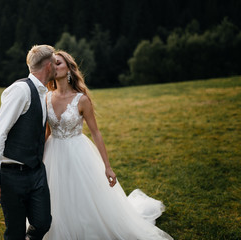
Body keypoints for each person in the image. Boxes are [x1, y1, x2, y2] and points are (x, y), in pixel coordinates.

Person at [42, 50, 173, 240]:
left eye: (59, 63)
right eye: (52, 64)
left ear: (69, 68)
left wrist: (108, 167)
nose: (54, 67)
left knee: (82, 196)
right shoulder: (46, 98)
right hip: (52, 153)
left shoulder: (82, 100)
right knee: (56, 196)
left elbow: (95, 132)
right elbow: (45, 132)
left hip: (78, 152)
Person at [0, 45, 56, 240]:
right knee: (15, 232)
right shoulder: (21, 90)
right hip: (11, 175)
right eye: (55, 62)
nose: (57, 66)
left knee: (42, 223)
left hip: (36, 171)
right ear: (48, 66)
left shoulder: (43, 93)